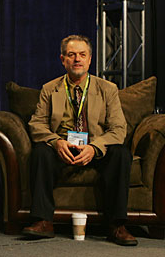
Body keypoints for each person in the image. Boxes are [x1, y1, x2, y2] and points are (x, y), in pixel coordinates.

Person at [22, 35, 138, 246]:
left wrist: (95, 148)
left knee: (121, 153)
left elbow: (119, 128)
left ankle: (117, 225)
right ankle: (43, 221)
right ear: (63, 59)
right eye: (71, 55)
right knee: (40, 151)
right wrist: (56, 142)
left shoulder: (108, 89)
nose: (77, 59)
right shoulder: (50, 88)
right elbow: (36, 125)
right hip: (63, 147)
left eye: (82, 55)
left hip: (95, 147)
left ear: (90, 59)